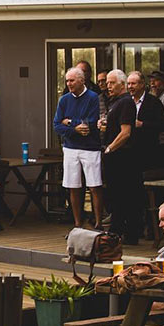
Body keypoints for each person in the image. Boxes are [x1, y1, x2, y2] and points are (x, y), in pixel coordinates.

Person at [53, 66, 104, 230]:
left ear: (82, 80)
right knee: (73, 185)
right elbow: (56, 125)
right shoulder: (64, 100)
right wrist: (74, 128)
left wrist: (69, 122)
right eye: (67, 80)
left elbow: (89, 124)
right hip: (70, 148)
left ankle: (98, 222)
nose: (69, 83)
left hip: (90, 148)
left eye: (72, 80)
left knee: (94, 185)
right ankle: (77, 223)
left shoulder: (92, 97)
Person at [101, 69, 143, 244]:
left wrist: (110, 148)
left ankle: (121, 232)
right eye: (107, 83)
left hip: (123, 158)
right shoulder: (116, 102)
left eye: (112, 83)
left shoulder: (125, 102)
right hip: (118, 157)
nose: (108, 86)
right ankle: (120, 231)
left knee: (124, 196)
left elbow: (126, 132)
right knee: (118, 195)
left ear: (122, 84)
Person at [127, 71, 164, 170]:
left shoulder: (154, 102)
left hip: (148, 150)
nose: (130, 86)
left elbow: (163, 125)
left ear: (142, 84)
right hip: (129, 150)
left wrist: (142, 124)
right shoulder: (126, 102)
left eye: (133, 83)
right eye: (128, 84)